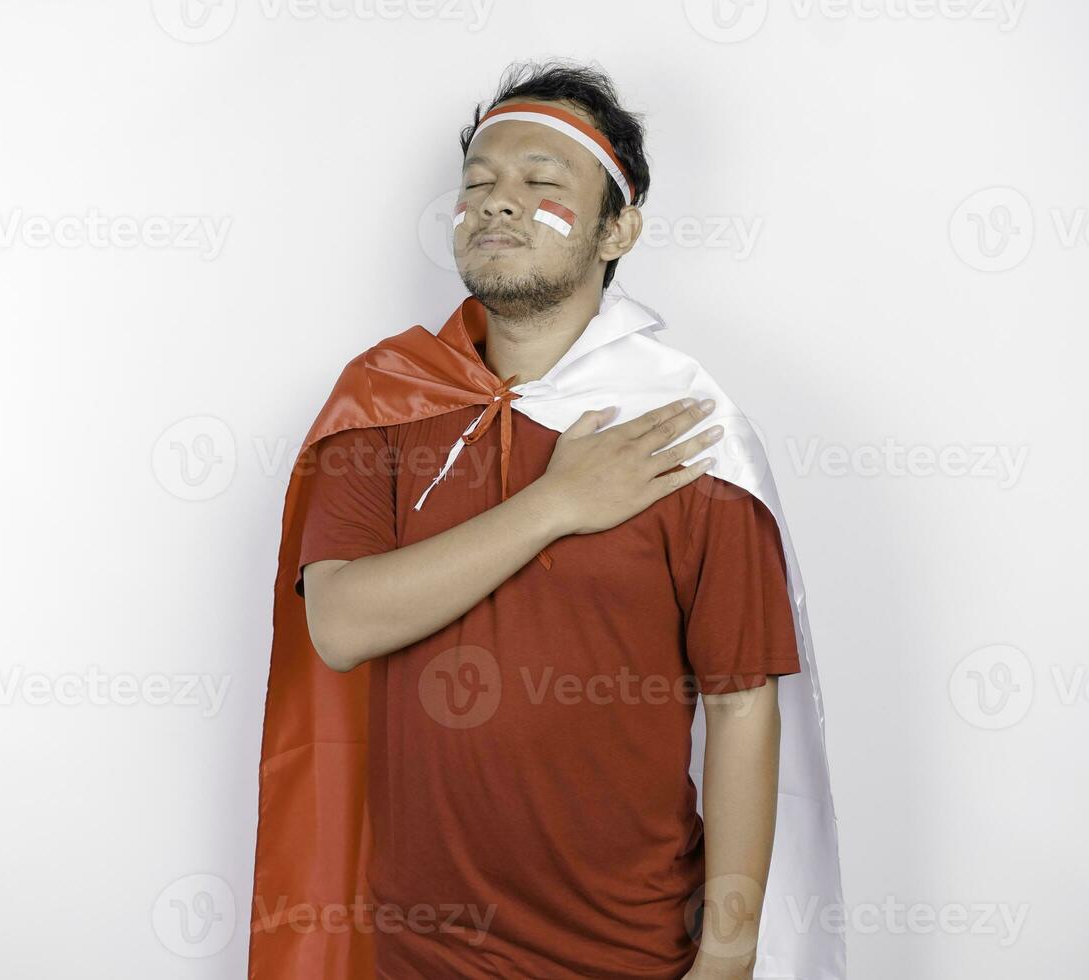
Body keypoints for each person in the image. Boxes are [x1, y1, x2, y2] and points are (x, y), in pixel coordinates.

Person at [249, 60, 843, 980]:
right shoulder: (384, 404)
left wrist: (727, 958)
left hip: (629, 953)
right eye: (480, 183)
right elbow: (340, 624)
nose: (499, 203)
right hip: (417, 955)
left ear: (618, 230)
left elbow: (739, 706)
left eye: (542, 183)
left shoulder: (684, 432)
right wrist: (557, 504)